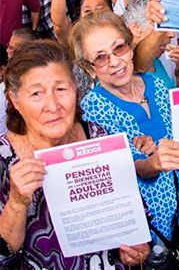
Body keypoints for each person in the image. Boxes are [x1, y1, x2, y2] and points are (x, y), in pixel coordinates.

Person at [0, 40, 150, 268]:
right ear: (15, 100)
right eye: (36, 93)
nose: (52, 105)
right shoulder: (3, 158)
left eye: (61, 89)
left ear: (75, 89)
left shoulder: (98, 137)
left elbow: (133, 214)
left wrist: (135, 249)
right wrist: (17, 202)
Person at [70, 12, 179, 242]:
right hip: (141, 233)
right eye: (101, 57)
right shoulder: (90, 112)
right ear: (89, 67)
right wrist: (152, 163)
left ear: (131, 47)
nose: (114, 61)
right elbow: (131, 169)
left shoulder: (157, 85)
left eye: (119, 48)